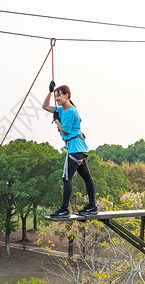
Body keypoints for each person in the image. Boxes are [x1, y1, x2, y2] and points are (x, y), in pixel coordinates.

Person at [42, 81, 97, 218]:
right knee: (87, 177)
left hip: (74, 149)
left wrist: (56, 121)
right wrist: (50, 91)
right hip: (80, 149)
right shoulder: (62, 110)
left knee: (67, 178)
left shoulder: (72, 111)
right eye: (55, 97)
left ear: (67, 96)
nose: (56, 99)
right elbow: (44, 106)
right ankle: (92, 206)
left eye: (58, 96)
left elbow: (65, 131)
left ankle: (64, 209)